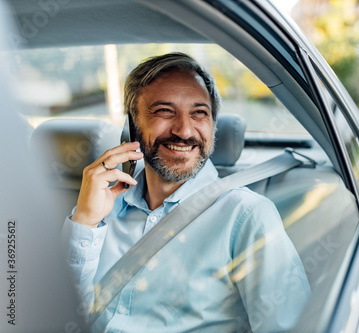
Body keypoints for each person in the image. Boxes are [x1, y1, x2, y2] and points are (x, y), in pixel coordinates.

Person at [61, 52, 310, 332]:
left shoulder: (247, 215)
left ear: (213, 126)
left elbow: (289, 327)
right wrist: (84, 222)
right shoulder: (101, 208)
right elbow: (62, 314)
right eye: (164, 111)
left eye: (199, 113)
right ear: (132, 126)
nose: (183, 130)